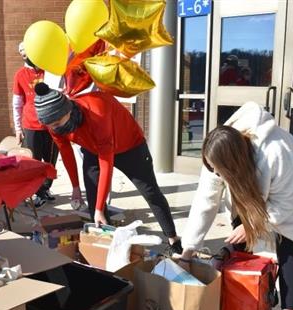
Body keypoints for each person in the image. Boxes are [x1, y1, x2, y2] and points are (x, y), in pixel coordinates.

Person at [180, 102, 293, 310]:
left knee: (287, 242)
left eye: (221, 172)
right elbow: (205, 201)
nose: (216, 176)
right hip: (249, 180)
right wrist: (188, 249)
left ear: (233, 165)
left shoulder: (275, 151)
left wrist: (254, 225)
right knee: (238, 228)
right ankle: (245, 298)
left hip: (290, 189)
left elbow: (287, 203)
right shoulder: (217, 151)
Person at [33, 82, 182, 255]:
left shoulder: (96, 111)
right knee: (94, 198)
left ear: (68, 110)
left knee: (150, 192)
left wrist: (99, 208)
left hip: (129, 146)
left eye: (58, 122)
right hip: (92, 148)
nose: (55, 128)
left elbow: (106, 162)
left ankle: (173, 239)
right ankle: (109, 248)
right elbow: (66, 153)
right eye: (51, 126)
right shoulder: (53, 124)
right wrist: (75, 187)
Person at [12, 42, 59, 207]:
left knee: (50, 162)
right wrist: (18, 128)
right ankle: (38, 193)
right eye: (22, 52)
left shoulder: (50, 71)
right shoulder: (20, 75)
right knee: (33, 163)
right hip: (31, 126)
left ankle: (45, 189)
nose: (25, 55)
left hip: (52, 125)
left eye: (27, 51)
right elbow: (17, 104)